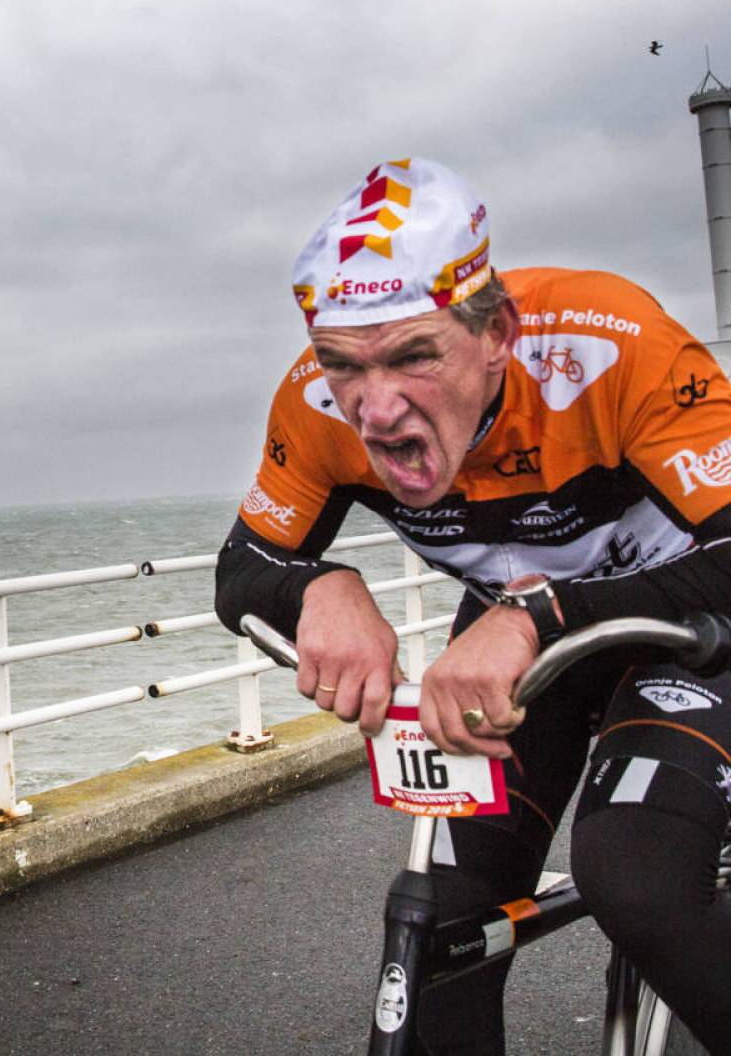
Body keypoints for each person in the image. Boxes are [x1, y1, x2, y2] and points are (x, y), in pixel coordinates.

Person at [215, 158, 731, 1054]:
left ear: (497, 333)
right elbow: (242, 568)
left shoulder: (609, 345)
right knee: (440, 929)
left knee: (633, 875)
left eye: (415, 356)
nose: (376, 410)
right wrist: (319, 586)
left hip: (684, 624)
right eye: (344, 365)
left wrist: (542, 615)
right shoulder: (316, 404)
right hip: (521, 640)